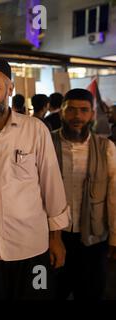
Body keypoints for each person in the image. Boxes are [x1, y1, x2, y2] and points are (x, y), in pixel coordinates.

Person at [0, 57, 70, 300]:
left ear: (10, 89)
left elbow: (52, 184)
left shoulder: (36, 130)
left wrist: (56, 238)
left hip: (32, 246)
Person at [50, 88, 116, 300]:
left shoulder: (106, 148)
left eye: (84, 110)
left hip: (93, 238)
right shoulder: (45, 144)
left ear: (92, 114)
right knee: (48, 291)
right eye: (71, 110)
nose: (77, 116)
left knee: (91, 292)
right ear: (61, 112)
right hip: (51, 238)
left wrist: (115, 236)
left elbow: (115, 195)